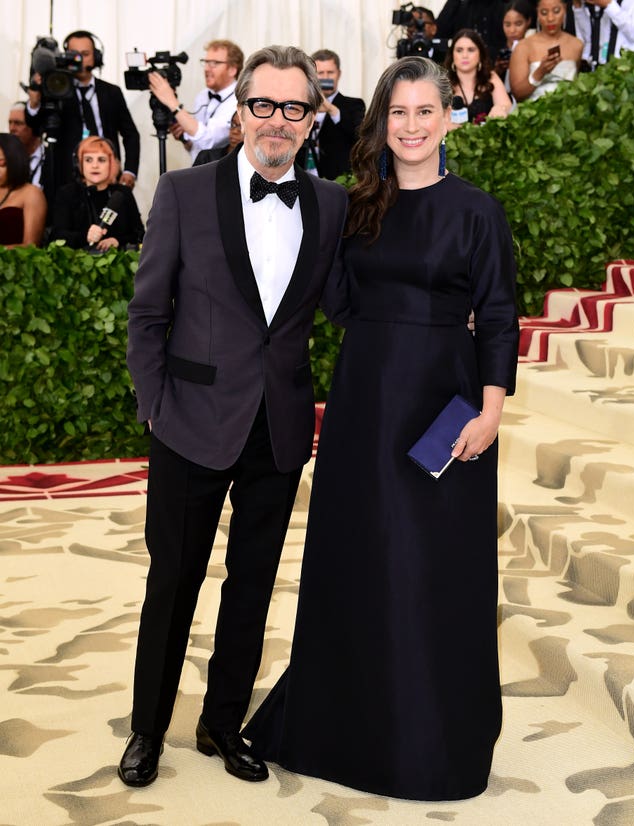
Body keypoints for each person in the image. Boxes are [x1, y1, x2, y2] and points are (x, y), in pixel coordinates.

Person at [243, 55, 519, 802]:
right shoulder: (357, 205)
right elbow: (336, 300)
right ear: (381, 124)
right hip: (366, 401)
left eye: (424, 111)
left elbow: (497, 316)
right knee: (360, 557)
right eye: (397, 113)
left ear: (446, 118)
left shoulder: (477, 212)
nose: (411, 125)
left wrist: (491, 409)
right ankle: (343, 727)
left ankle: (429, 738)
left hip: (445, 409)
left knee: (431, 568)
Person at [119, 44, 349, 789]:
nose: (276, 121)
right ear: (240, 109)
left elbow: (350, 305)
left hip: (278, 428)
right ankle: (148, 731)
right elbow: (148, 313)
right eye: (263, 105)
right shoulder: (185, 193)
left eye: (293, 108)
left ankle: (222, 723)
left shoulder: (333, 204)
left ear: (313, 119)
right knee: (174, 579)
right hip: (188, 421)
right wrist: (155, 408)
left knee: (251, 585)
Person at [26, 30, 140, 200]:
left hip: (108, 176)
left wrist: (130, 171)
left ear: (96, 56)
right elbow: (35, 127)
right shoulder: (56, 89)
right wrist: (34, 101)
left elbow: (130, 134)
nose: (79, 59)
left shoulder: (111, 92)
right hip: (66, 179)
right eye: (74, 54)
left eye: (85, 54)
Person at [149, 39, 244, 164]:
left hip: (223, 172)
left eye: (214, 63)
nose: (207, 69)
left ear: (232, 69)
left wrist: (171, 101)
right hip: (199, 169)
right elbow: (198, 146)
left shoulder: (239, 100)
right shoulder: (202, 96)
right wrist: (186, 140)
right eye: (206, 62)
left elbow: (208, 140)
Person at [49, 136, 143, 251]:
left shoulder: (122, 193)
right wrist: (85, 237)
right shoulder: (67, 193)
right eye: (88, 160)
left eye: (101, 160)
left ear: (111, 163)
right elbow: (56, 236)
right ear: (79, 164)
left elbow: (140, 235)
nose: (95, 166)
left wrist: (118, 241)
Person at [295, 49, 365, 180]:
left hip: (338, 181)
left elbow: (360, 135)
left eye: (330, 72)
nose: (326, 77)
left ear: (338, 74)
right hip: (302, 178)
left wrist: (332, 109)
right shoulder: (302, 106)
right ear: (312, 76)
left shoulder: (354, 105)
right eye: (320, 73)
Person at [510, 0, 583, 101]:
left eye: (556, 11)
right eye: (544, 13)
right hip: (533, 111)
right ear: (537, 12)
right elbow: (517, 94)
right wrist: (539, 73)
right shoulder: (523, 47)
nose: (550, 18)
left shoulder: (577, 45)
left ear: (565, 10)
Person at [445, 29, 512, 125]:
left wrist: (501, 109)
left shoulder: (490, 76)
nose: (465, 55)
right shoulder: (443, 82)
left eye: (471, 50)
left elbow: (506, 105)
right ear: (452, 54)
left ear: (480, 54)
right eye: (459, 50)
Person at [0, 133, 47, 247]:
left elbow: (31, 246)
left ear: (14, 161)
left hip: (16, 263)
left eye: (1, 164)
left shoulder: (31, 193)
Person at [437, 0, 509, 59]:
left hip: (495, 64)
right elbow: (439, 33)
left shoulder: (505, 5)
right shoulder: (460, 4)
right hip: (461, 64)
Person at [494, 1, 536, 84]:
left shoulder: (535, 48)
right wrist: (497, 71)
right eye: (507, 25)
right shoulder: (497, 50)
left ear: (528, 21)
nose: (512, 30)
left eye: (518, 24)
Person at [8, 102, 44, 188]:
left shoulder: (50, 158)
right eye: (10, 122)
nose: (12, 128)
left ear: (34, 127)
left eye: (18, 123)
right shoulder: (6, 158)